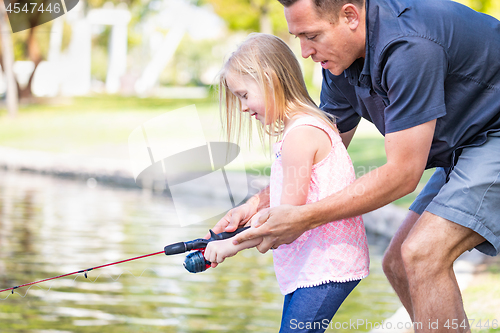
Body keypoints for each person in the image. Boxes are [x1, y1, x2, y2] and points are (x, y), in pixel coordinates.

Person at [210, 0, 500, 332]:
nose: (304, 51)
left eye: (312, 36)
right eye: (298, 37)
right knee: (398, 264)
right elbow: (321, 155)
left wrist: (301, 218)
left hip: (494, 130)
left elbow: (402, 175)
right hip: (467, 142)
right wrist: (254, 205)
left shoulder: (408, 46)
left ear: (350, 16)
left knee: (423, 255)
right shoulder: (339, 64)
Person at [203, 33, 370, 332]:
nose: (242, 107)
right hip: (312, 265)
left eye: (243, 95)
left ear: (270, 81)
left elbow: (284, 221)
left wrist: (232, 244)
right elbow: (287, 203)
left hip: (326, 266)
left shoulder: (301, 135)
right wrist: (248, 214)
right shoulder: (300, 128)